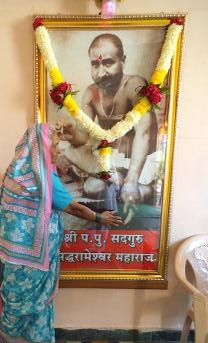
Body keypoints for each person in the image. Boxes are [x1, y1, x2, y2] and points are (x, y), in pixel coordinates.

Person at [0, 123, 122, 343]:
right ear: (40, 147)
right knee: (18, 310)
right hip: (31, 260)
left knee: (18, 307)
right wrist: (99, 217)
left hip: (12, 254)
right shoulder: (44, 178)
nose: (57, 148)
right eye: (53, 144)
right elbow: (72, 206)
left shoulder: (16, 169)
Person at [59, 33, 158, 210]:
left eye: (108, 62)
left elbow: (144, 133)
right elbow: (83, 137)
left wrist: (132, 180)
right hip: (110, 162)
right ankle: (121, 187)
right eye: (95, 64)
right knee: (91, 185)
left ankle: (145, 189)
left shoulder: (133, 85)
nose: (101, 72)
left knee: (106, 187)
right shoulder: (91, 92)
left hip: (138, 162)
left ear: (123, 61)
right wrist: (71, 134)